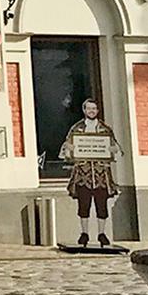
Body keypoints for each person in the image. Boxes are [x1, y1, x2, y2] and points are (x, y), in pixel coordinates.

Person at [58, 97, 123, 248]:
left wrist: (114, 150)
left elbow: (117, 150)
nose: (91, 111)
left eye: (94, 109)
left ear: (97, 111)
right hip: (83, 175)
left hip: (101, 175)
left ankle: (102, 233)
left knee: (102, 205)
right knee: (83, 205)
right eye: (89, 109)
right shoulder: (77, 129)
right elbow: (65, 151)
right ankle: (84, 233)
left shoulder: (105, 130)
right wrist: (70, 150)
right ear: (84, 110)